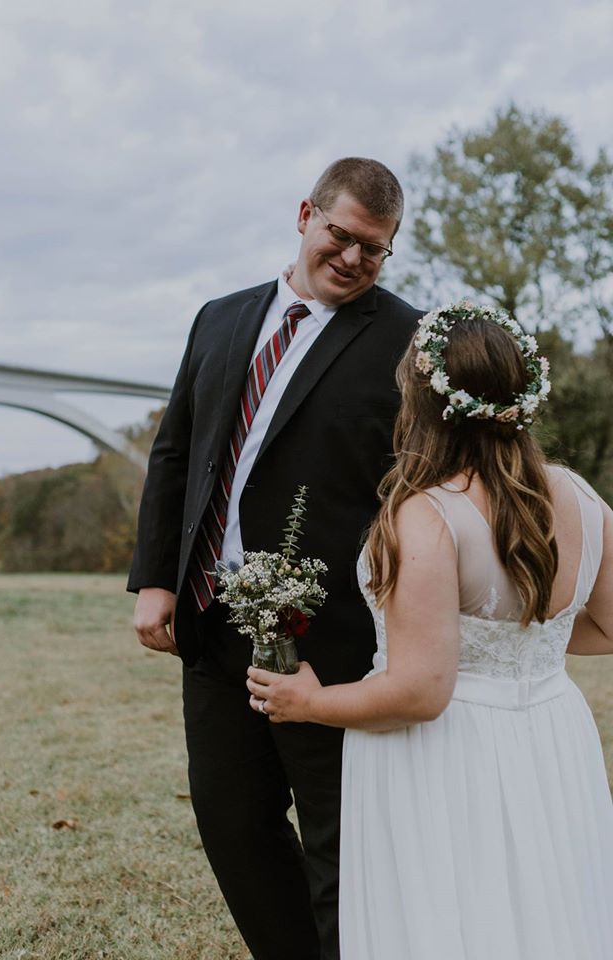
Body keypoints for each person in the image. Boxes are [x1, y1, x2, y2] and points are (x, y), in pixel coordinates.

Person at [247, 301, 613, 960]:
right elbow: (605, 629)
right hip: (552, 738)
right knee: (542, 916)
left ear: (422, 399)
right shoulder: (583, 499)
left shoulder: (427, 514)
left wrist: (306, 702)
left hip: (445, 757)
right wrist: (525, 647)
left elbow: (421, 691)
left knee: (450, 924)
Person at [127, 157, 423, 960]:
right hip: (211, 622)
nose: (355, 258)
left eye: (376, 248)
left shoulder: (407, 340)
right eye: (342, 234)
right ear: (305, 215)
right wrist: (155, 578)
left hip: (334, 644)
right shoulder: (219, 319)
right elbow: (175, 453)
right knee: (232, 823)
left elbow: (420, 488)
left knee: (340, 838)